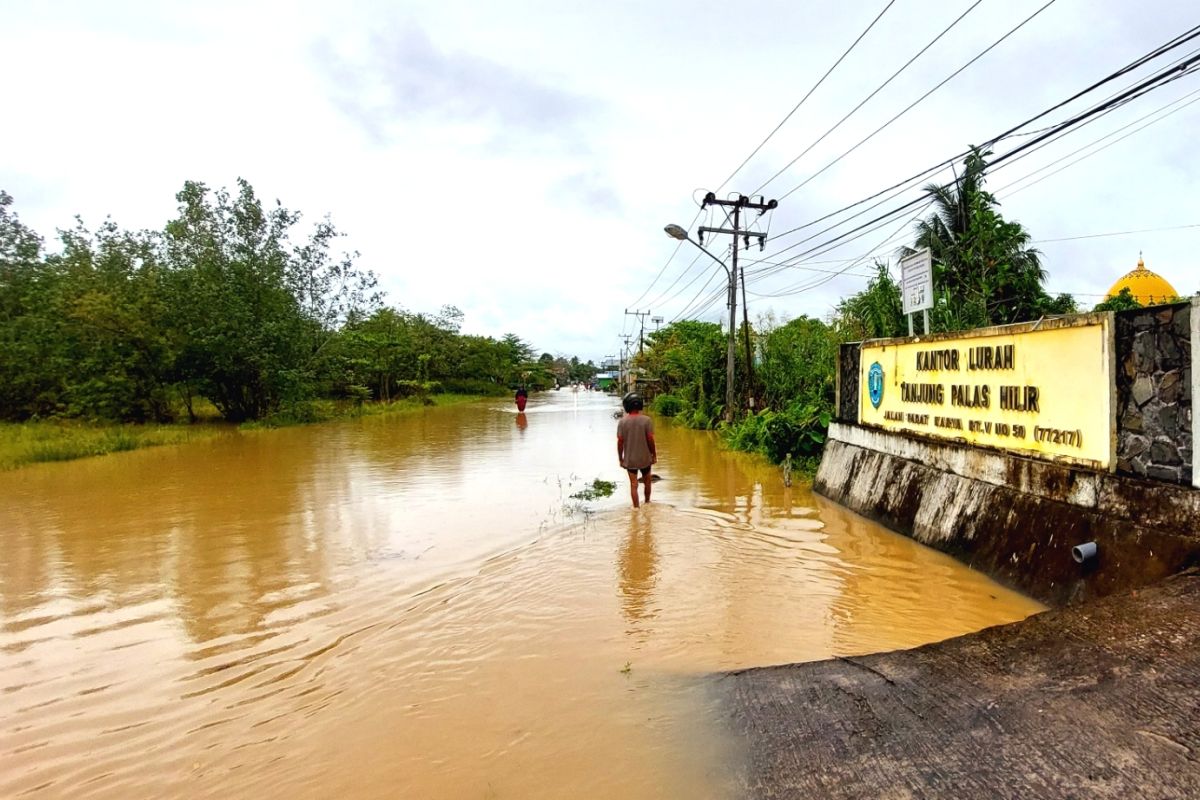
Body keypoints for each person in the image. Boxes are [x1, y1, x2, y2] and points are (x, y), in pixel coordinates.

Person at [616, 392, 656, 508]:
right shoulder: (647, 420)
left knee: (634, 484)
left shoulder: (622, 422)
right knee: (647, 482)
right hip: (645, 458)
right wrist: (654, 455)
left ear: (627, 406)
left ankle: (636, 508)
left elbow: (620, 442)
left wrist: (620, 458)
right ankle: (647, 503)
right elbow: (650, 440)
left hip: (630, 460)